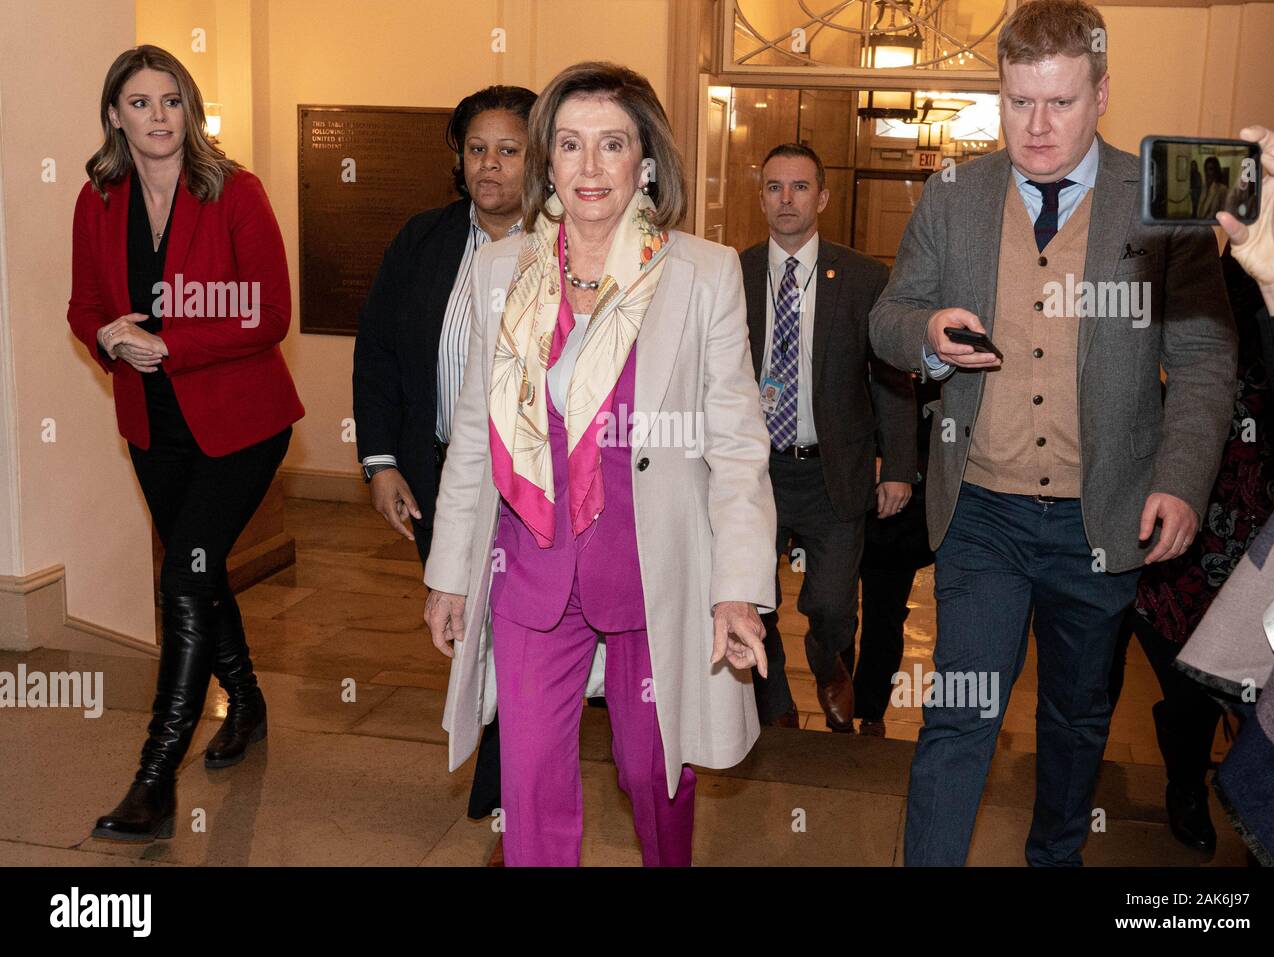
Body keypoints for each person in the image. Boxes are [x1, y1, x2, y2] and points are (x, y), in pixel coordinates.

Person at [868, 0, 1237, 866]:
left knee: (1075, 723)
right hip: (983, 513)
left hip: (1096, 520)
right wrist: (924, 335)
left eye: (1060, 104)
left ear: (1102, 94)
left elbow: (1206, 357)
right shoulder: (953, 194)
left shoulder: (1165, 198)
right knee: (961, 713)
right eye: (1017, 102)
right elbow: (887, 316)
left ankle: (1055, 859)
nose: (1035, 127)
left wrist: (1180, 479)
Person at [422, 61, 776, 866]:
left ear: (644, 162)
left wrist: (739, 587)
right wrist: (448, 570)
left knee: (653, 769)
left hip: (651, 568)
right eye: (571, 145)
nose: (589, 167)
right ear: (547, 159)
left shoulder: (701, 273)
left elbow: (735, 443)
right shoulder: (499, 272)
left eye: (611, 145)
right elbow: (475, 432)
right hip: (531, 566)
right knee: (532, 783)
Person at [68, 45, 304, 843]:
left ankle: (155, 774)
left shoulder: (235, 192)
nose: (158, 116)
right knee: (198, 570)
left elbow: (271, 312)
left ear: (189, 108)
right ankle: (248, 700)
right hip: (151, 423)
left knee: (180, 575)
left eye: (171, 100)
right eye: (140, 103)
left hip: (241, 424)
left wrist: (171, 342)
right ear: (115, 115)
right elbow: (84, 305)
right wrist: (108, 337)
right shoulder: (97, 199)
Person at [352, 84, 535, 835]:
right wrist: (382, 462)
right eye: (476, 149)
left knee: (518, 631)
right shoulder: (422, 240)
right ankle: (502, 754)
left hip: (527, 487)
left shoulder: (563, 248)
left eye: (508, 150)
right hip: (438, 480)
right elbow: (380, 352)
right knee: (467, 628)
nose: (489, 166)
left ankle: (507, 781)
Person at [1109, 246, 1274, 854]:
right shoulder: (1226, 291)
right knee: (1190, 674)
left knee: (1269, 678)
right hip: (1200, 513)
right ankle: (1187, 783)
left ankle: (1253, 795)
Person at [739, 143, 916, 731]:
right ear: (761, 195)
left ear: (823, 196)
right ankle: (773, 701)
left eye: (798, 187)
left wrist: (896, 466)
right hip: (754, 472)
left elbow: (891, 375)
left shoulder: (864, 276)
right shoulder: (732, 274)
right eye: (773, 187)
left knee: (833, 603)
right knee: (752, 592)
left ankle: (829, 661)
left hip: (833, 471)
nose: (785, 199)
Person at [1175, 125, 1274, 866]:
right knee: (1195, 658)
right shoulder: (1213, 267)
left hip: (1263, 489)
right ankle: (1185, 780)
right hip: (1218, 484)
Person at [849, 376, 938, 737]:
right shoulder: (862, 343)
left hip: (901, 516)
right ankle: (838, 696)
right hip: (843, 498)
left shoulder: (937, 370)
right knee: (834, 612)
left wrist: (902, 468)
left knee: (883, 616)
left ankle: (868, 711)